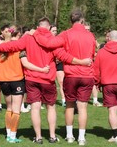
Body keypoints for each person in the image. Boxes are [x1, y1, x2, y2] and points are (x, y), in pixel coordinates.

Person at [0, 17, 92, 144]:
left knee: (35, 108)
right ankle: (52, 136)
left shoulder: (28, 38)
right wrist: (81, 62)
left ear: (38, 26)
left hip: (32, 79)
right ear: (48, 27)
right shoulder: (52, 39)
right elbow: (63, 55)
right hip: (48, 79)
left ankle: (38, 137)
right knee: (51, 108)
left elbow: (14, 46)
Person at [32, 10, 97, 146]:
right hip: (86, 74)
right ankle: (81, 137)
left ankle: (69, 135)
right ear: (82, 21)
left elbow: (50, 45)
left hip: (71, 74)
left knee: (70, 105)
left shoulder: (66, 34)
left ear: (70, 21)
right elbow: (91, 54)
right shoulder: (91, 36)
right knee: (83, 107)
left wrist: (37, 33)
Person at [0, 27, 25, 143]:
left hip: (3, 81)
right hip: (17, 79)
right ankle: (13, 136)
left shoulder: (0, 47)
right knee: (16, 109)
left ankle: (8, 133)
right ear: (18, 35)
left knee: (9, 108)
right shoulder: (19, 46)